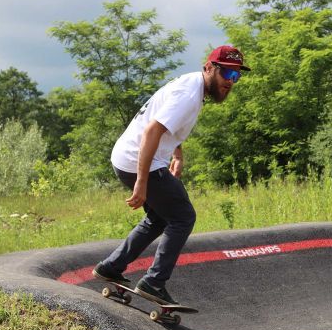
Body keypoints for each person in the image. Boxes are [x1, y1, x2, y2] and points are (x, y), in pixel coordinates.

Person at [92, 45, 250, 305]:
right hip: (139, 161)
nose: (230, 82)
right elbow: (152, 132)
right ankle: (154, 282)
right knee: (183, 216)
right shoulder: (188, 95)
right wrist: (142, 182)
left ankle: (111, 267)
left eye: (236, 77)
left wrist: (177, 154)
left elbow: (167, 124)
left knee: (160, 217)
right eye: (227, 75)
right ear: (209, 68)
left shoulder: (193, 86)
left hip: (127, 158)